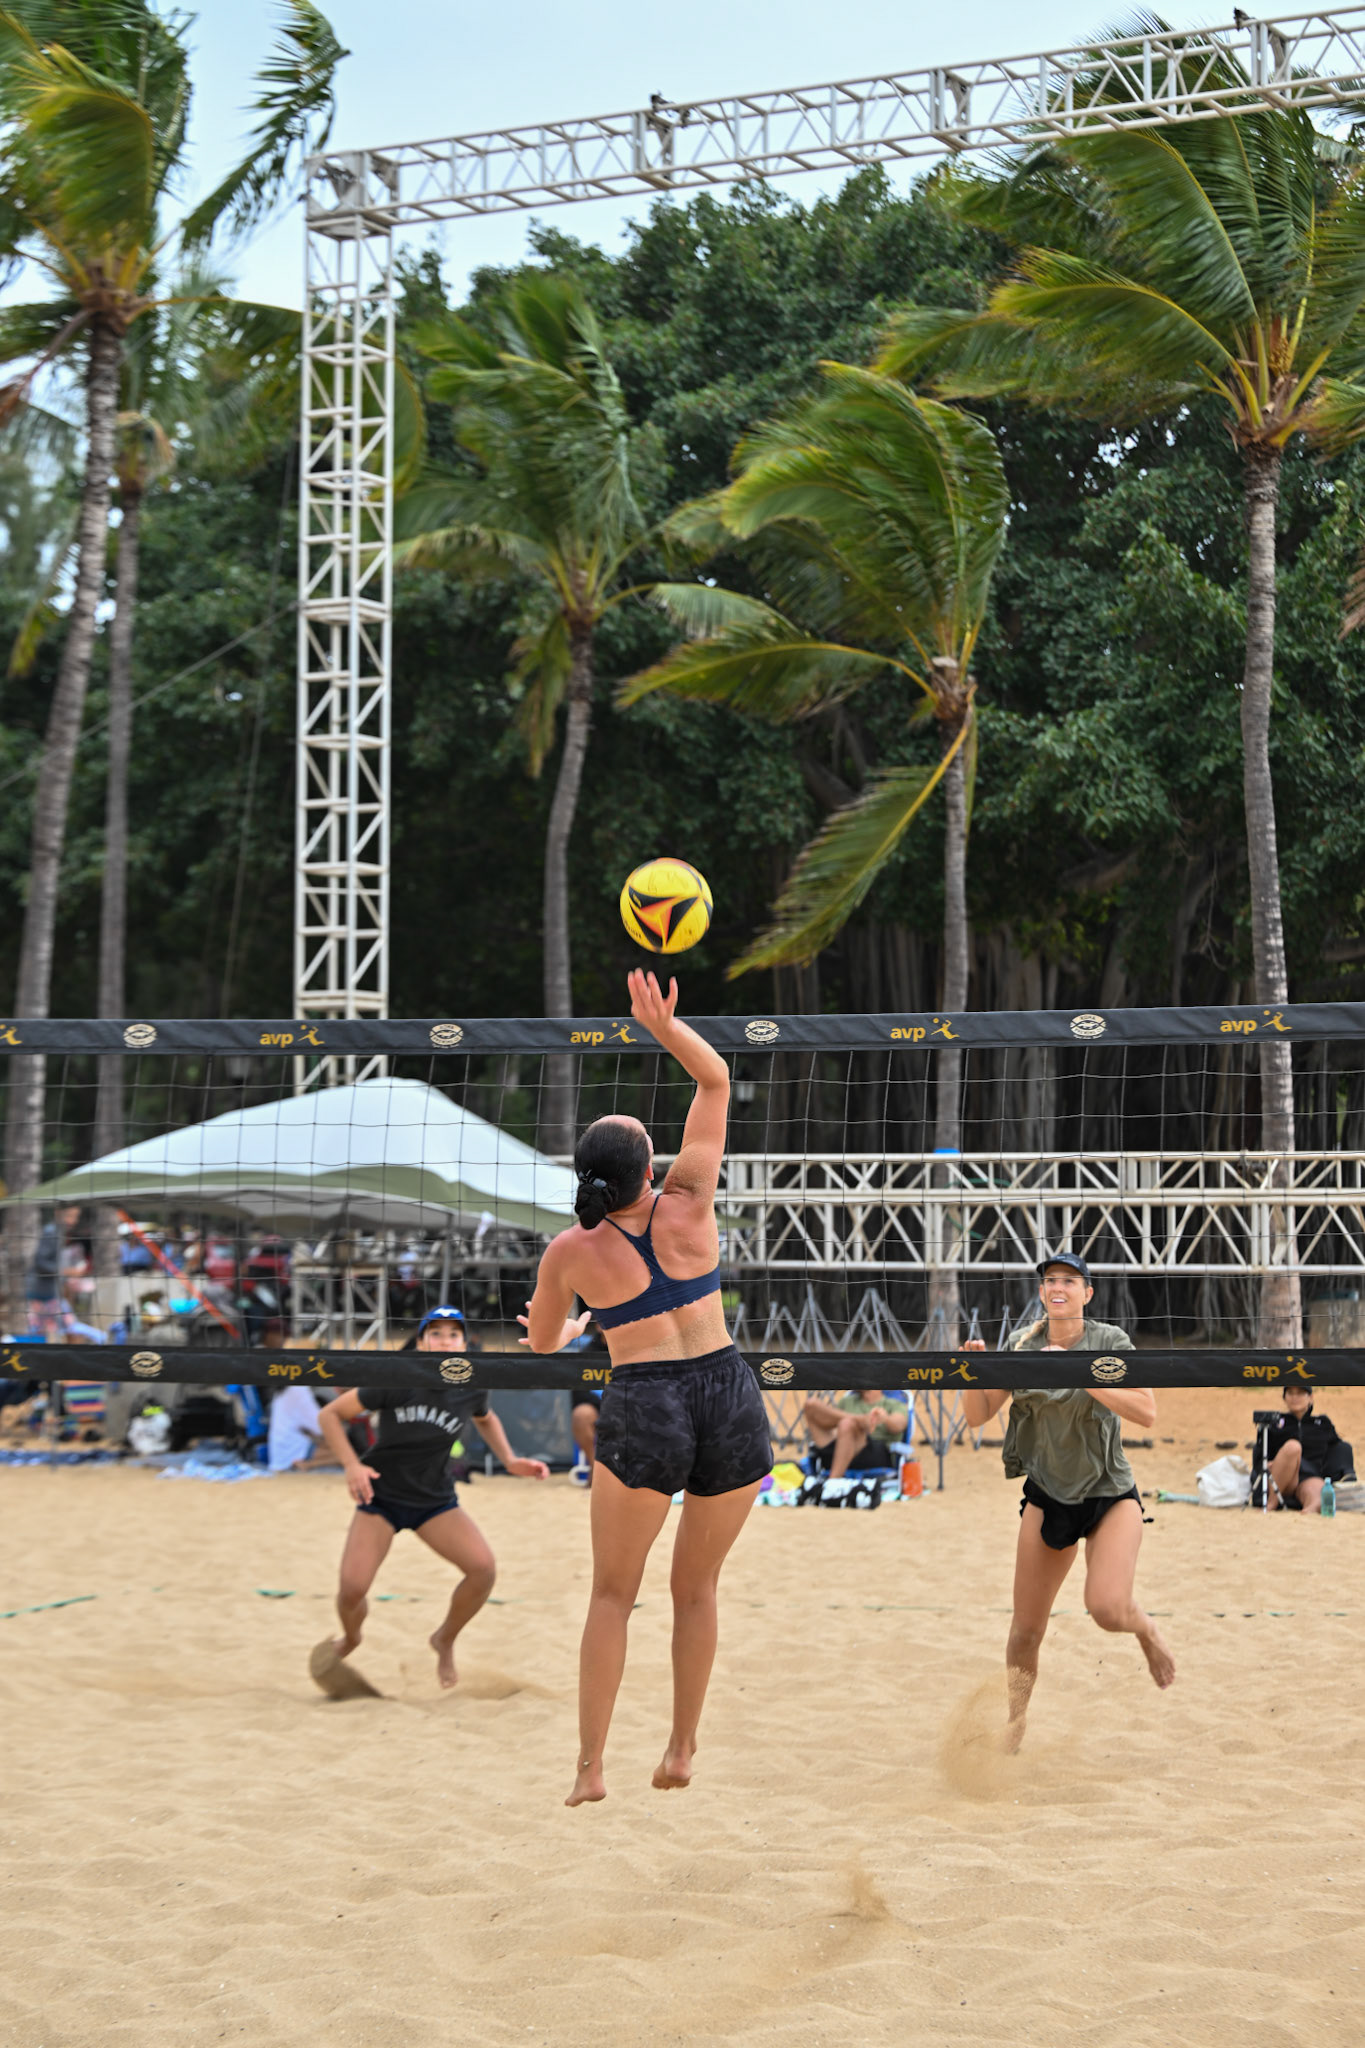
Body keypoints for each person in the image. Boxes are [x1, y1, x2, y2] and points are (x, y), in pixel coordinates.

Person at [520, 968, 771, 1808]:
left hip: (646, 1400)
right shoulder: (689, 1201)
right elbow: (715, 1078)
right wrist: (660, 1025)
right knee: (695, 1591)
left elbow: (545, 1343)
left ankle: (590, 1768)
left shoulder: (568, 1252)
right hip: (727, 1393)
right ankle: (681, 1749)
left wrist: (560, 1321)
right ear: (647, 1170)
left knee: (611, 1596)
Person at [962, 1252, 1175, 1750]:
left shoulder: (1110, 1342)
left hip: (1108, 1494)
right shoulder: (1023, 1345)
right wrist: (972, 1370)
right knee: (1025, 1631)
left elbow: (1147, 1412)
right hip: (1048, 1493)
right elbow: (977, 1416)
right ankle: (1015, 1727)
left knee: (1105, 1608)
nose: (1058, 1287)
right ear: (1041, 1294)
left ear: (1087, 1293)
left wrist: (1081, 1374)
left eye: (1070, 1280)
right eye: (1050, 1280)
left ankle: (1145, 1629)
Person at [314, 1306, 548, 1692]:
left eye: (452, 1334)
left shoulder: (471, 1385)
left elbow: (485, 1416)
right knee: (351, 1590)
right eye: (435, 1333)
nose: (444, 1340)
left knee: (483, 1570)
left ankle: (445, 1638)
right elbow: (329, 1415)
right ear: (421, 1341)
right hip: (382, 1496)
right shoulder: (397, 1378)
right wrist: (352, 1466)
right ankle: (352, 1638)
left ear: (463, 1344)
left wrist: (509, 1459)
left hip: (433, 1499)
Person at [1254, 1384, 1355, 1512]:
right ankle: (1271, 1503)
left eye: (1300, 1393)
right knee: (1293, 1447)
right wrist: (1266, 1464)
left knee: (1319, 1500)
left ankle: (1304, 1524)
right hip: (1280, 1476)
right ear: (1284, 1397)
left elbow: (1340, 1448)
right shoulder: (1274, 1423)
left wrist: (1348, 1472)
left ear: (1311, 1398)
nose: (1295, 1397)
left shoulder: (1322, 1423)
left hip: (1309, 1477)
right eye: (1290, 1393)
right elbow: (1259, 1453)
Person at [802, 1390, 910, 1476]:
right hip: (841, 1449)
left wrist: (885, 1418)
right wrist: (861, 1421)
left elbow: (899, 1425)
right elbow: (835, 1429)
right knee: (811, 1404)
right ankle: (859, 1419)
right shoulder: (846, 1401)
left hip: (875, 1454)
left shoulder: (893, 1404)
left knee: (847, 1424)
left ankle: (832, 1481)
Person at [25, 1204, 82, 1339]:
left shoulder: (58, 1232)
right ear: (57, 1213)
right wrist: (65, 1271)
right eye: (69, 1216)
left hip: (49, 1292)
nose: (73, 1221)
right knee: (65, 1327)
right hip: (42, 1293)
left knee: (55, 1329)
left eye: (76, 1217)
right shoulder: (51, 1232)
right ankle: (100, 1338)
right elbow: (40, 1262)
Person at [267, 1383, 334, 1473]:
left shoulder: (283, 1390)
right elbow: (320, 1425)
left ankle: (307, 1464)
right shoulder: (298, 1389)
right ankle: (307, 1465)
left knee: (332, 1445)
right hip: (295, 1453)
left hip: (280, 1456)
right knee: (344, 1452)